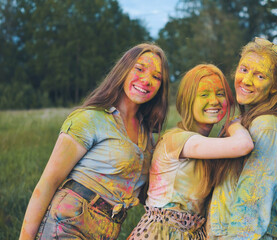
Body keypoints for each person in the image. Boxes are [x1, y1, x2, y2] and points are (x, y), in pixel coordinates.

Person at [19, 43, 170, 240]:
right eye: (139, 69)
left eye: (156, 77)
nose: (146, 80)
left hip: (108, 230)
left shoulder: (147, 136)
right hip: (69, 223)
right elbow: (48, 182)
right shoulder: (90, 118)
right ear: (123, 71)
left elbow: (145, 193)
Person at [127, 64, 254, 240]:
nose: (214, 101)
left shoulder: (208, 146)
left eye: (220, 93)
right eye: (204, 94)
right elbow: (243, 145)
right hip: (162, 233)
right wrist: (234, 125)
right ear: (187, 100)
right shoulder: (178, 140)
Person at [208, 37, 277, 239]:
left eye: (260, 76)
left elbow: (251, 208)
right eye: (244, 70)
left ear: (275, 86)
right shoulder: (246, 123)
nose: (246, 80)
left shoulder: (267, 128)